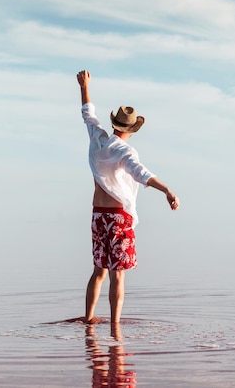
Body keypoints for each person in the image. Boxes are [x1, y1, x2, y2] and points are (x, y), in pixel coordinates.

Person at [77, 69, 179, 324]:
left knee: (98, 271)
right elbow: (142, 174)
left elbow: (88, 114)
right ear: (133, 128)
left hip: (98, 215)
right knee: (118, 276)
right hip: (118, 218)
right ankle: (115, 328)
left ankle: (89, 319)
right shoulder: (126, 151)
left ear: (114, 124)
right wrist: (167, 189)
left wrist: (84, 85)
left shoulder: (97, 139)